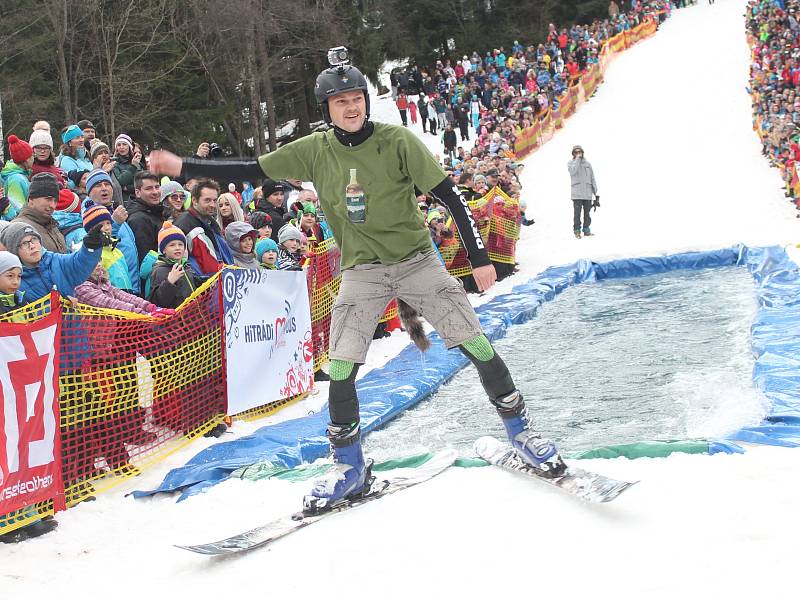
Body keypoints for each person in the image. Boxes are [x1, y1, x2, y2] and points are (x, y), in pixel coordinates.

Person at [148, 55, 566, 512]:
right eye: (340, 101)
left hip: (416, 260)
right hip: (362, 271)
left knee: (476, 344)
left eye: (357, 99)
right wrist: (181, 164)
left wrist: (481, 257)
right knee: (342, 367)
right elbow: (249, 170)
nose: (351, 108)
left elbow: (449, 194)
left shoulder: (397, 140)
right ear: (326, 108)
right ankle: (349, 467)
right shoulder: (314, 149)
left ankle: (521, 432)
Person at [0, 221, 103, 302]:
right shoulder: (12, 278)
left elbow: (80, 263)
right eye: (24, 243)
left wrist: (90, 247)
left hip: (73, 327)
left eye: (34, 239)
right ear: (14, 251)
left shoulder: (55, 260)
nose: (32, 246)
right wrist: (57, 305)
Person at [84, 168, 140, 293]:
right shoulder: (88, 216)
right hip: (112, 292)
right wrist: (114, 224)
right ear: (89, 193)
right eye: (98, 185)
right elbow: (96, 243)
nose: (104, 188)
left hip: (130, 285)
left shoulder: (113, 211)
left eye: (107, 184)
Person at [174, 178, 233, 278]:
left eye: (215, 200)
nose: (213, 205)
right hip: (201, 287)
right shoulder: (184, 223)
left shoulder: (211, 222)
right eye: (207, 200)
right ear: (194, 200)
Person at [12, 172, 68, 253]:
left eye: (55, 201)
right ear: (31, 199)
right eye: (48, 199)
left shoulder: (52, 225)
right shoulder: (18, 228)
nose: (53, 205)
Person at [148, 221, 199, 309]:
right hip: (176, 320)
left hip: (192, 316)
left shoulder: (186, 266)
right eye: (172, 245)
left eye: (181, 244)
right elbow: (158, 302)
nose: (177, 248)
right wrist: (169, 282)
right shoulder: (159, 270)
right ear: (163, 250)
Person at [126, 171, 165, 265]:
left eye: (157, 187)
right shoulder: (138, 220)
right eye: (149, 189)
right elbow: (145, 259)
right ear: (138, 193)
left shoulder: (156, 211)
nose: (155, 192)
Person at [567, 144, 599, 238]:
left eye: (579, 152)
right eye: (576, 152)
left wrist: (595, 190)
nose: (578, 153)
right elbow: (572, 171)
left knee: (587, 213)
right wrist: (577, 160)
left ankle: (586, 230)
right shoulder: (570, 163)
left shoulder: (588, 164)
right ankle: (577, 231)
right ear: (573, 153)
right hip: (577, 193)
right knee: (577, 213)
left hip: (587, 193)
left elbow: (592, 177)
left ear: (582, 152)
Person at [1, 135, 34, 220]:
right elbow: (17, 210)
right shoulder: (16, 179)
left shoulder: (22, 175)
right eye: (32, 156)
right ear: (26, 159)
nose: (34, 158)